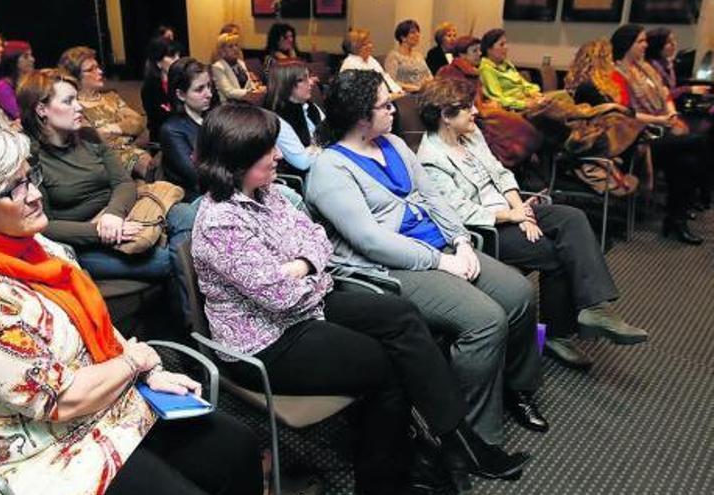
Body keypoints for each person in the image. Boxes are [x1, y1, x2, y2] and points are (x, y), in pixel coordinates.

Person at [192, 104, 530, 495]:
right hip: (267, 342)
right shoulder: (220, 222)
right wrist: (308, 270)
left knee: (402, 316)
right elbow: (281, 297)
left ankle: (457, 442)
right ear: (234, 162)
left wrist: (301, 265)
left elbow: (317, 239)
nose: (280, 154)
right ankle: (390, 480)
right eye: (267, 150)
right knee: (386, 365)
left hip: (308, 306)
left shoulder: (269, 193)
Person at [0, 119, 262, 495]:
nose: (32, 195)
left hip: (105, 404)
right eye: (11, 189)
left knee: (237, 446)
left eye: (29, 178)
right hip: (43, 448)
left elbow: (97, 331)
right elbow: (56, 400)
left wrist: (148, 374)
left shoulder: (38, 247)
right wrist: (135, 363)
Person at [305, 70, 546, 446]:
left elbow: (436, 199)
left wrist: (462, 242)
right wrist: (440, 260)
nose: (394, 111)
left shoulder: (395, 145)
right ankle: (471, 433)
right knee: (485, 320)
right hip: (395, 266)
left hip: (443, 248)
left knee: (519, 295)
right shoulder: (329, 168)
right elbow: (371, 241)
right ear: (359, 116)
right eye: (385, 105)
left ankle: (516, 387)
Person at [416, 78, 649, 370]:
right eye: (466, 108)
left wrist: (519, 209)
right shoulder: (429, 160)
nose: (475, 111)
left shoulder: (470, 134)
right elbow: (459, 212)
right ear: (445, 117)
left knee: (573, 218)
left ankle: (595, 307)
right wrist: (511, 217)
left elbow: (500, 174)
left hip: (510, 210)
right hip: (488, 229)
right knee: (557, 254)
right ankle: (556, 335)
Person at [17, 68, 195, 283]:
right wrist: (100, 230)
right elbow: (45, 224)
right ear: (41, 109)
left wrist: (114, 215)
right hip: (83, 242)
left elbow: (123, 182)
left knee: (187, 215)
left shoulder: (89, 135)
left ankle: (193, 308)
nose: (79, 106)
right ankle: (192, 309)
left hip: (124, 214)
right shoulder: (29, 156)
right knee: (169, 260)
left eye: (77, 99)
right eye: (68, 101)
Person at [479, 29, 645, 162]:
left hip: (533, 100)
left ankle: (591, 126)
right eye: (501, 44)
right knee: (564, 103)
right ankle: (585, 134)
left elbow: (526, 85)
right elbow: (497, 97)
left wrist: (535, 94)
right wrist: (527, 104)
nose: (506, 47)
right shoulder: (486, 68)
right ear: (489, 48)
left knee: (564, 98)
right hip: (519, 108)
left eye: (506, 43)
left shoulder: (507, 65)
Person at [611, 24, 707, 244]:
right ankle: (687, 207)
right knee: (699, 142)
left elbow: (666, 97)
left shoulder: (647, 69)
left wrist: (671, 115)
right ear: (627, 44)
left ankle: (676, 220)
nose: (646, 45)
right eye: (641, 41)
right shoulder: (616, 74)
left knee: (687, 161)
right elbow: (625, 113)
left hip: (660, 133)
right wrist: (661, 120)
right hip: (636, 139)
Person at [437, 35, 542, 168]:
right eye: (474, 51)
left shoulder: (472, 71)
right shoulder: (451, 72)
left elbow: (479, 96)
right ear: (461, 54)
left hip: (480, 111)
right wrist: (482, 107)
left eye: (479, 50)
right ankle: (507, 164)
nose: (479, 54)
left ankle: (518, 165)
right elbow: (455, 100)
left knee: (518, 124)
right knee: (514, 127)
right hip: (470, 115)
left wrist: (488, 102)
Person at [59, 46, 153, 179]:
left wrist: (113, 128)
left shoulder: (111, 97)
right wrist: (125, 127)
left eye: (98, 67)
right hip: (104, 161)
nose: (100, 71)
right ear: (75, 76)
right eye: (91, 69)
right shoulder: (75, 106)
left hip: (134, 152)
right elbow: (92, 137)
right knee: (146, 163)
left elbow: (138, 122)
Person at [159, 58, 213, 202]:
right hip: (193, 200)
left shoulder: (212, 117)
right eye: (199, 89)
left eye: (209, 86)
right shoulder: (171, 130)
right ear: (181, 95)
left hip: (219, 192)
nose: (209, 94)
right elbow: (199, 176)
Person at [263, 61, 324, 172]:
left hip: (321, 166)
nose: (311, 83)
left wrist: (314, 149)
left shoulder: (311, 106)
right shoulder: (276, 118)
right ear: (286, 84)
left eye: (309, 77)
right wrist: (323, 146)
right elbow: (302, 162)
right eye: (303, 79)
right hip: (302, 178)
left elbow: (332, 135)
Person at [340, 28, 404, 95]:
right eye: (365, 44)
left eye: (370, 42)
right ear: (355, 47)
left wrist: (398, 91)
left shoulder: (371, 60)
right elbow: (360, 91)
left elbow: (384, 77)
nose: (370, 46)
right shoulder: (350, 63)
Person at [141, 36, 182, 142]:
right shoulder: (150, 88)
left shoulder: (183, 79)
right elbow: (160, 120)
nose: (178, 60)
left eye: (178, 55)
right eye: (172, 56)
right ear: (158, 62)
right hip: (165, 138)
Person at [210, 32, 265, 104]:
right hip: (229, 107)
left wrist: (257, 89)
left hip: (246, 104)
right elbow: (228, 91)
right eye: (230, 46)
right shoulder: (218, 67)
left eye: (236, 45)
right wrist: (249, 93)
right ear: (222, 50)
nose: (235, 49)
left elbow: (248, 84)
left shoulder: (241, 63)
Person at [385, 19, 432, 93]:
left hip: (424, 92)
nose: (417, 35)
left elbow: (429, 75)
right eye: (413, 32)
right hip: (407, 95)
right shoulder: (394, 56)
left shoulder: (419, 55)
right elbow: (391, 82)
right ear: (403, 37)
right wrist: (416, 88)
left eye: (418, 32)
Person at [0, 40, 35, 120]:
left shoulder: (28, 82)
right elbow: (21, 116)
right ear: (13, 61)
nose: (32, 59)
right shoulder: (1, 87)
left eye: (31, 55)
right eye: (26, 56)